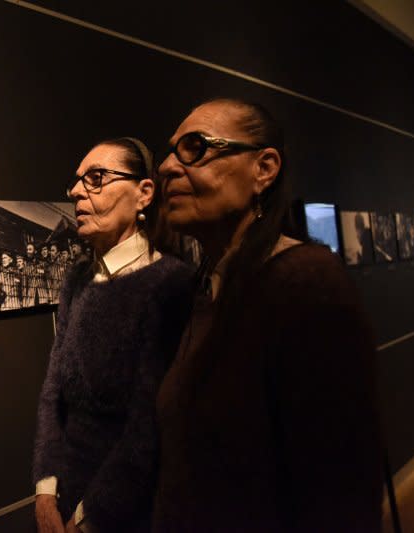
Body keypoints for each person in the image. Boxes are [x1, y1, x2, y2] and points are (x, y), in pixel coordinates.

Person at [152, 98, 382, 531]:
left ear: (264, 169)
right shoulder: (206, 287)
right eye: (169, 151)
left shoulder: (305, 284)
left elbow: (340, 492)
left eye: (195, 147)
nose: (166, 166)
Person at [34, 137, 193, 533]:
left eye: (96, 178)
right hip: (65, 497)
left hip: (131, 511)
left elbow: (149, 423)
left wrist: (90, 517)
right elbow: (53, 390)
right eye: (76, 181)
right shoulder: (77, 280)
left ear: (143, 194)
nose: (75, 192)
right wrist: (45, 489)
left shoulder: (171, 283)